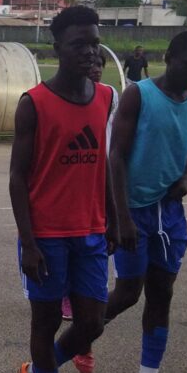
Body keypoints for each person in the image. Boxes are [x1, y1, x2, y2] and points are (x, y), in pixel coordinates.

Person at [9, 6, 117, 373]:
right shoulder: (34, 103)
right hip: (47, 235)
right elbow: (18, 176)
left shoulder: (107, 96)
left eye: (93, 42)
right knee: (46, 321)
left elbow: (106, 164)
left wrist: (112, 217)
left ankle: (37, 372)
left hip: (91, 231)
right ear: (57, 48)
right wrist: (29, 242)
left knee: (92, 323)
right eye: (79, 43)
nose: (89, 51)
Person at [93, 31, 187, 373]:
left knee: (163, 293)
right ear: (168, 58)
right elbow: (116, 156)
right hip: (134, 209)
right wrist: (120, 216)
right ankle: (81, 336)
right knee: (129, 292)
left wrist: (186, 178)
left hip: (170, 211)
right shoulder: (138, 95)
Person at [61, 51, 120, 325]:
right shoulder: (65, 98)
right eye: (92, 63)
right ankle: (65, 292)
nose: (96, 68)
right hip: (78, 175)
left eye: (100, 64)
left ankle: (87, 292)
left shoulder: (109, 95)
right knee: (71, 237)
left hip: (101, 174)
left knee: (99, 238)